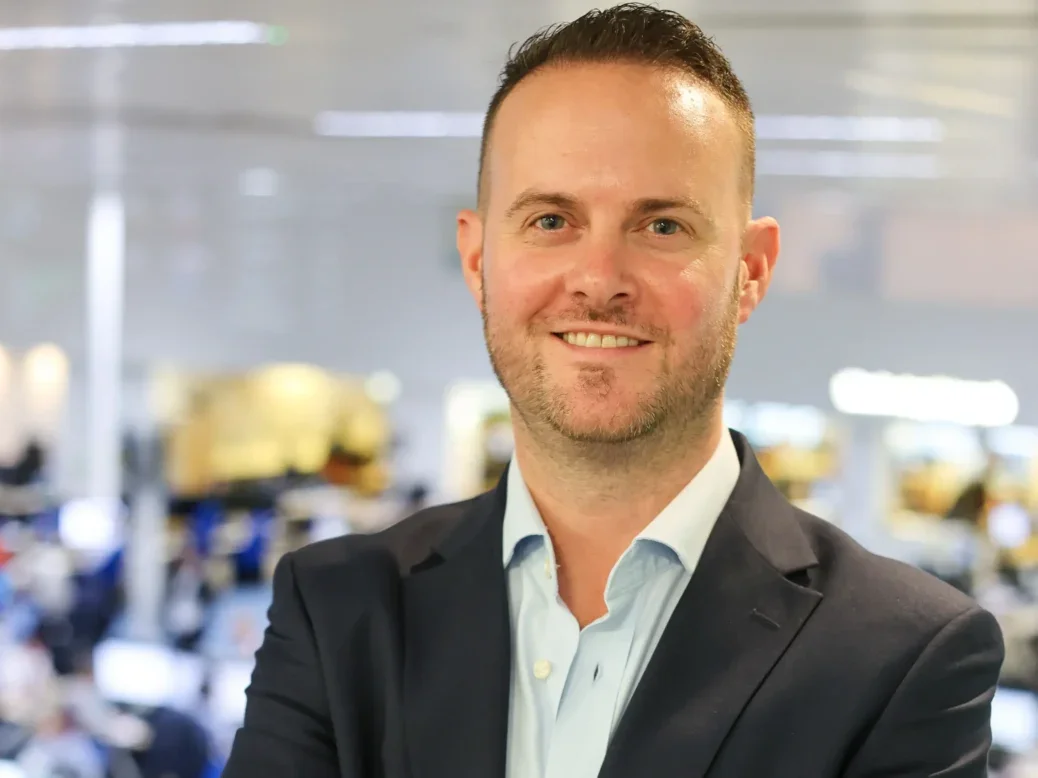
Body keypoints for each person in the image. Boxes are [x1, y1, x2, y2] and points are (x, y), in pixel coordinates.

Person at [224, 5, 1005, 777]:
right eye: (551, 219)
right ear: (476, 258)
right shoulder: (338, 609)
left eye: (662, 226)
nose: (599, 281)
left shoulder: (903, 657)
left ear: (752, 271)